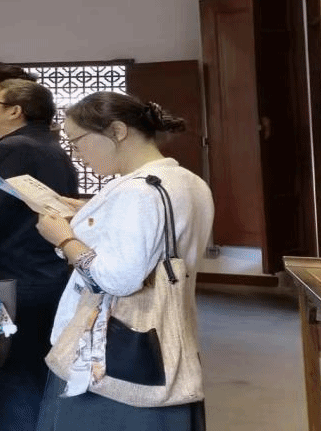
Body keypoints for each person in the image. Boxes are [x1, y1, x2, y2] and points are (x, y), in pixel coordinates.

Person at [33, 92, 214, 431]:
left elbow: (116, 280)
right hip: (170, 337)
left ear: (117, 131)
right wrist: (90, 213)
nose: (76, 153)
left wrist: (64, 238)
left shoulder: (137, 191)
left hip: (116, 349)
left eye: (78, 141)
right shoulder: (189, 181)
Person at [0, 79, 80, 430]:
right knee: (39, 369)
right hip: (47, 273)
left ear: (14, 111)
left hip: (11, 279)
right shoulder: (52, 148)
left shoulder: (14, 149)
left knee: (11, 373)